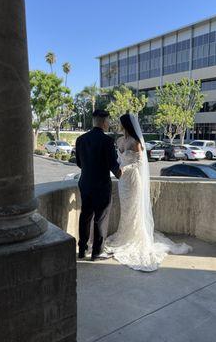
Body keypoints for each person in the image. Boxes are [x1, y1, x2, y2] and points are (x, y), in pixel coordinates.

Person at [102, 113, 192, 272]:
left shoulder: (136, 142)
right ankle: (124, 235)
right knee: (126, 209)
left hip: (133, 179)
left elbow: (139, 162)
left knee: (134, 209)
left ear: (126, 125)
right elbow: (118, 160)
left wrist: (125, 169)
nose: (118, 125)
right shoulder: (119, 140)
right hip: (122, 181)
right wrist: (116, 169)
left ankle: (135, 237)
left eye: (120, 123)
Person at [75, 109, 122, 261]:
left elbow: (79, 163)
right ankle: (97, 252)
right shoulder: (107, 141)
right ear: (103, 122)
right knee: (100, 219)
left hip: (85, 184)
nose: (109, 123)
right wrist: (122, 174)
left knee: (85, 216)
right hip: (101, 185)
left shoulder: (81, 139)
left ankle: (82, 249)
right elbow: (114, 166)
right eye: (108, 121)